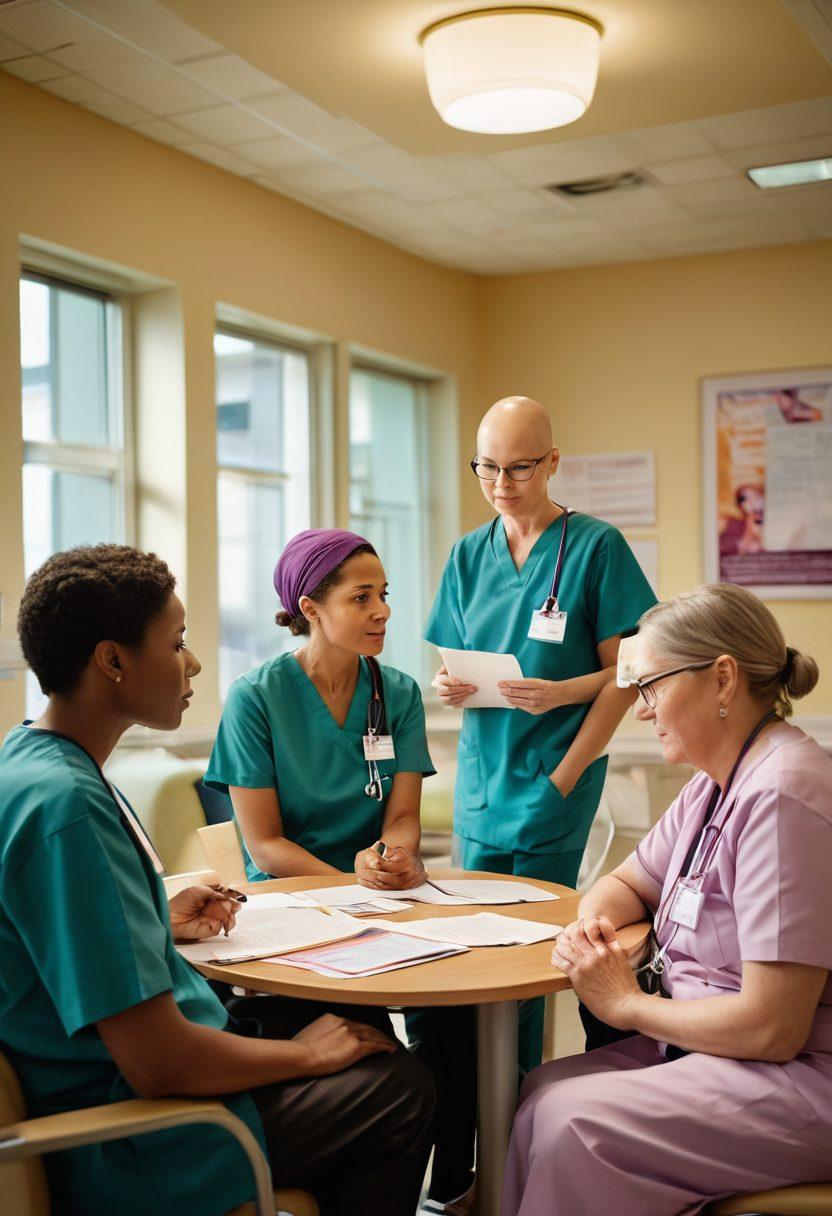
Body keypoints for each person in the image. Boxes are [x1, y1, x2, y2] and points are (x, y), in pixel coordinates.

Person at [0, 544, 435, 1216]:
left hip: (126, 1077)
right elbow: (161, 1065)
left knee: (343, 1038)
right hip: (143, 1131)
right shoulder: (69, 809)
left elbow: (53, 937)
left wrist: (154, 916)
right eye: (176, 643)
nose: (194, 662)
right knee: (396, 1086)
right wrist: (304, 1058)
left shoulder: (29, 763)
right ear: (112, 662)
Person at [503, 582, 832, 1216]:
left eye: (651, 687)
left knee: (576, 1124)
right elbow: (626, 883)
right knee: (542, 1091)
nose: (642, 710)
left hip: (799, 1072)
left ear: (723, 680)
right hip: (718, 1050)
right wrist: (594, 927)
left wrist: (625, 1005)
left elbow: (773, 1025)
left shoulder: (782, 795)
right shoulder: (715, 784)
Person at [205, 529, 477, 1216]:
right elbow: (264, 846)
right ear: (311, 606)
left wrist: (397, 854)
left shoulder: (399, 692)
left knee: (460, 1023)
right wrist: (349, 882)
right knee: (381, 1059)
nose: (383, 610)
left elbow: (403, 816)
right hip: (292, 916)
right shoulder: (255, 699)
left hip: (381, 902)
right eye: (363, 597)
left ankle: (450, 1188)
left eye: (384, 594)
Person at [425, 395, 656, 1070]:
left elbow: (627, 674)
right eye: (486, 468)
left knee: (527, 962)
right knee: (471, 953)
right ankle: (467, 1131)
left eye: (519, 468)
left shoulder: (596, 547)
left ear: (554, 462)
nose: (501, 485)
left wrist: (564, 742)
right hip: (482, 780)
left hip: (558, 772)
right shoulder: (469, 554)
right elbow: (452, 663)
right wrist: (447, 687)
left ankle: (519, 1118)